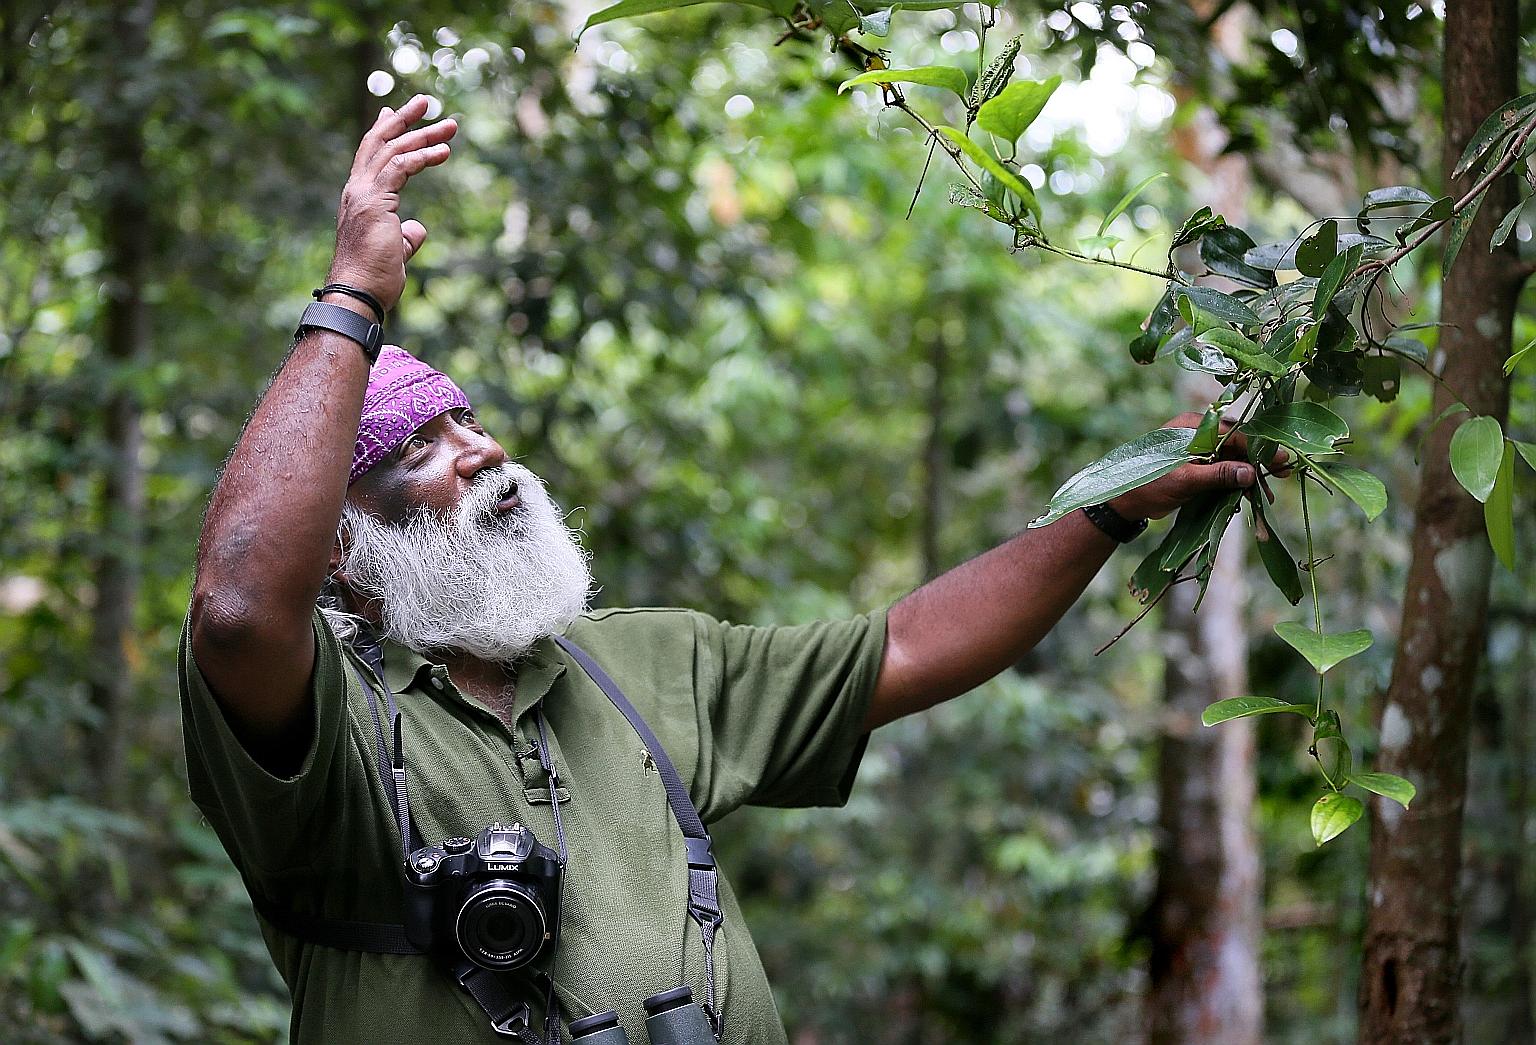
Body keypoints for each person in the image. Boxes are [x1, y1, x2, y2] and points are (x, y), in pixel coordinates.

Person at [182, 95, 1268, 1044]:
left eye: (471, 422)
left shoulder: (639, 663)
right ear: (341, 546)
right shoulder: (324, 723)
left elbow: (906, 646)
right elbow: (235, 608)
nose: (484, 452)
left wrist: (1112, 504)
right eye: (421, 449)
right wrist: (353, 298)